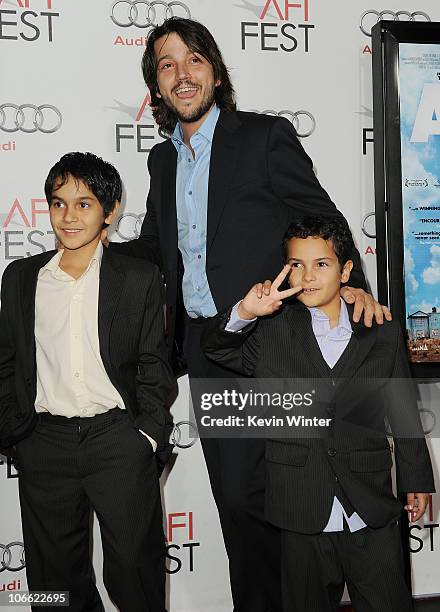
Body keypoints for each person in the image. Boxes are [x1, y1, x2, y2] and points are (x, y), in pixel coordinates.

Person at [108, 17, 391, 612]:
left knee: (295, 496)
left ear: (214, 70)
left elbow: (323, 217)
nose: (182, 74)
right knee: (239, 505)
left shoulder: (263, 137)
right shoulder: (162, 162)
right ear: (155, 88)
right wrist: (89, 247)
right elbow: (157, 249)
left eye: (193, 60)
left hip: (277, 344)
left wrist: (354, 287)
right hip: (213, 351)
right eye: (166, 64)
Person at [201, 216, 435, 612]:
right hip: (300, 506)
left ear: (346, 270)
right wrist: (246, 310)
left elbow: (402, 410)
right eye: (297, 264)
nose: (308, 276)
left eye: (322, 264)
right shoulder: (272, 329)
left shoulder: (379, 328)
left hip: (370, 504)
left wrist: (416, 478)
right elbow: (217, 349)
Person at [0, 152, 176, 612]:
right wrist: (15, 433)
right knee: (51, 583)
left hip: (117, 440)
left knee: (136, 571)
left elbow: (153, 365)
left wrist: (146, 435)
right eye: (59, 204)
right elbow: (7, 359)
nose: (69, 216)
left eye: (84, 204)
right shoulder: (21, 278)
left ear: (110, 211)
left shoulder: (137, 277)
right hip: (44, 442)